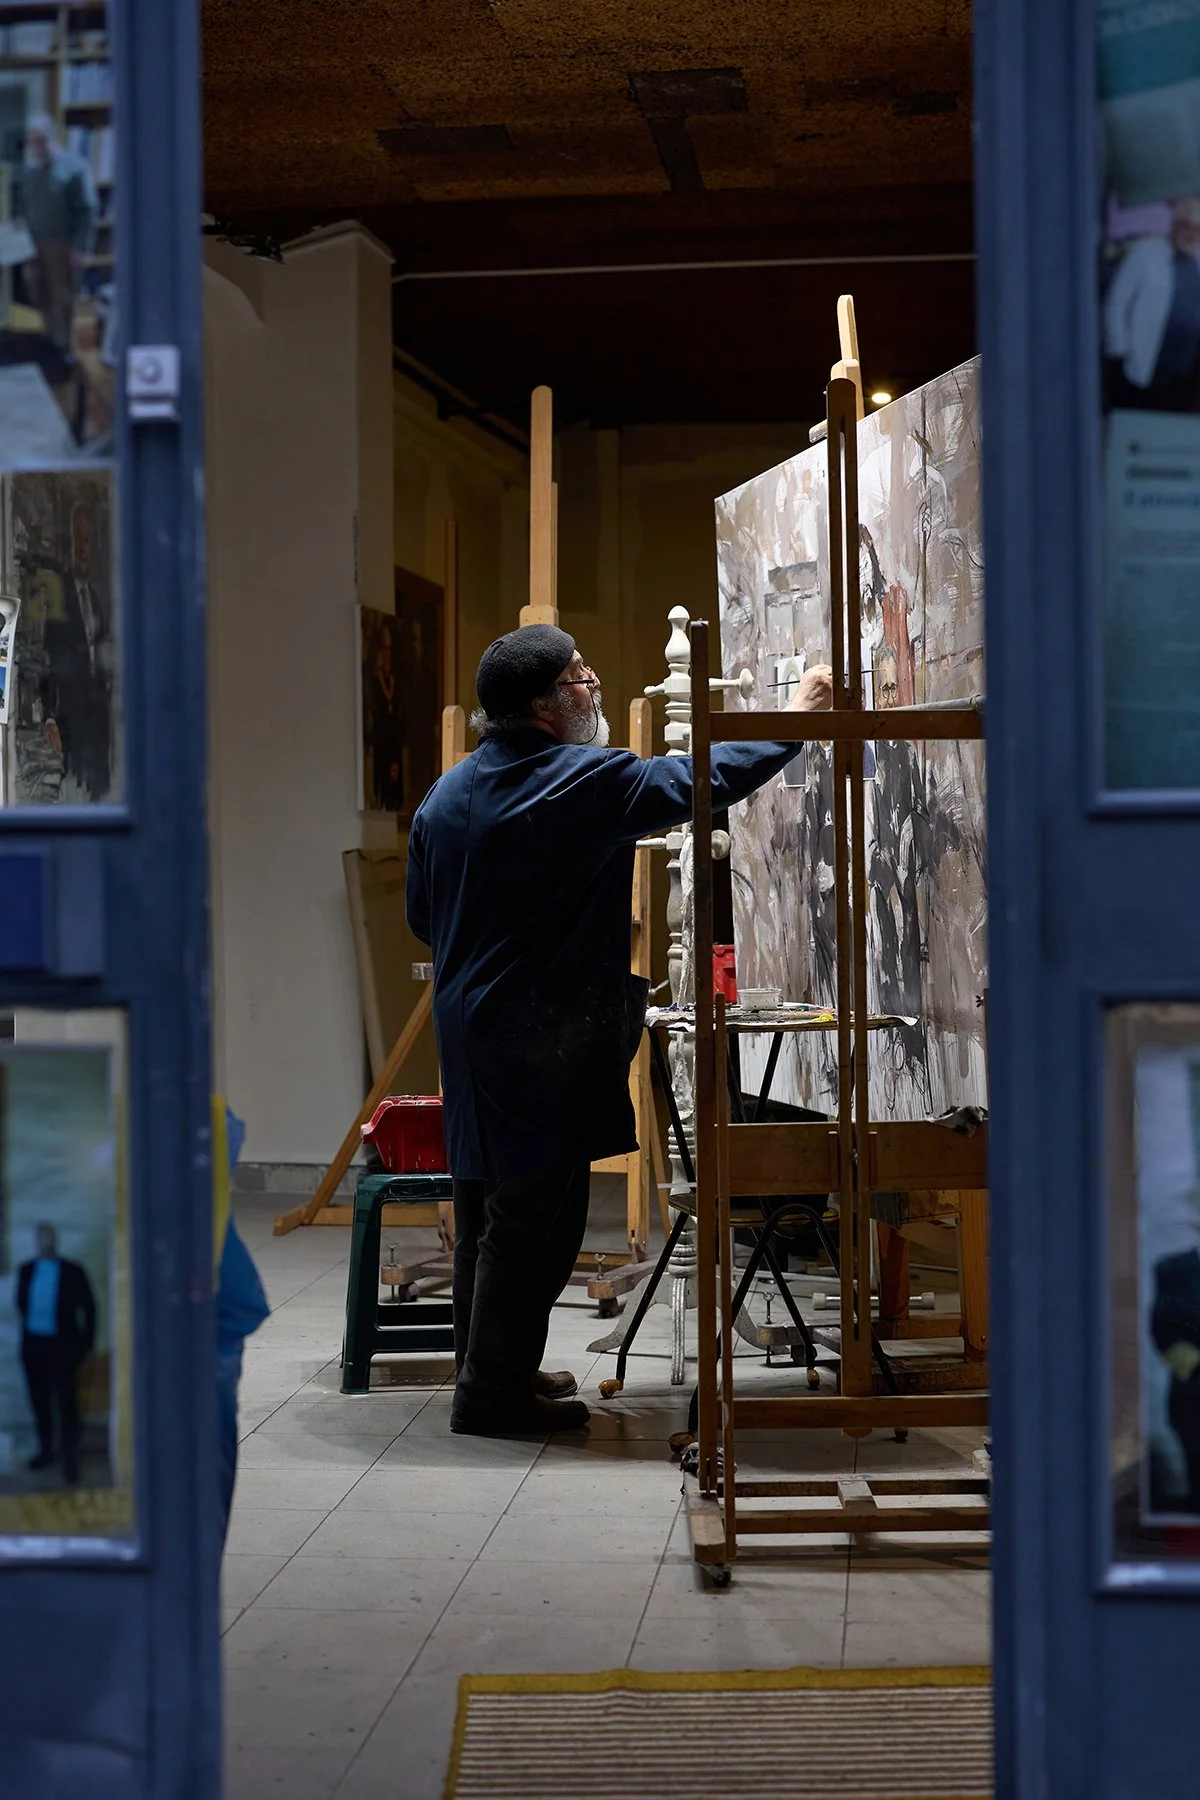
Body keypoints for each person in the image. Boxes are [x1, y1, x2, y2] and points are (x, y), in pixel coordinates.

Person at [406, 623, 832, 1436]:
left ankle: (490, 1370)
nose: (592, 682)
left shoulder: (448, 793)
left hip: (473, 1033)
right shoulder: (580, 782)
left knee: (489, 1209)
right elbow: (702, 778)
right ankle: (490, 1398)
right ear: (541, 706)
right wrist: (799, 718)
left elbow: (425, 919)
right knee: (535, 1221)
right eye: (578, 676)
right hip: (539, 1038)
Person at [41, 498, 112, 801]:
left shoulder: (95, 602)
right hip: (71, 729)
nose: (83, 549)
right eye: (78, 540)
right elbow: (47, 661)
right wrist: (49, 717)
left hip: (97, 732)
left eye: (87, 541)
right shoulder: (58, 596)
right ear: (69, 544)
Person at [15, 1222, 96, 1485]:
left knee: (66, 1402)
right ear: (35, 1241)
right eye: (41, 1237)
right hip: (33, 1345)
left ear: (56, 1240)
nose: (45, 1242)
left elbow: (89, 1307)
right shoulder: (26, 1269)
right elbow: (21, 1304)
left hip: (62, 1347)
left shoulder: (72, 1271)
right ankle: (46, 1451)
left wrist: (86, 1344)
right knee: (39, 1400)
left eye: (49, 1237)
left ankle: (71, 1458)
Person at [1104, 196, 1200, 411]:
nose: (1191, 234)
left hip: (1186, 374)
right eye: (1185, 225)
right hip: (1141, 367)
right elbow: (1117, 302)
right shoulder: (1145, 253)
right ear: (1174, 225)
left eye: (1198, 229)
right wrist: (1118, 349)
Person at [16, 113, 96, 361]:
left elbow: (87, 210)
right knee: (37, 292)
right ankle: (49, 339)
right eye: (32, 142)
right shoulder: (30, 172)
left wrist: (80, 246)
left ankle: (64, 349)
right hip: (33, 244)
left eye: (41, 141)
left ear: (52, 138)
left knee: (62, 297)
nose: (37, 147)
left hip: (62, 244)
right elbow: (24, 206)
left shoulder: (74, 168)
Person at [368, 620, 406, 812]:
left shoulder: (395, 684)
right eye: (383, 649)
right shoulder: (375, 684)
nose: (386, 655)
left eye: (389, 650)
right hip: (381, 742)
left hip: (393, 742)